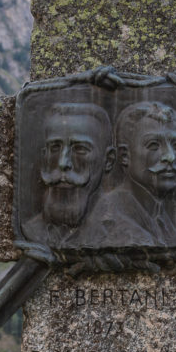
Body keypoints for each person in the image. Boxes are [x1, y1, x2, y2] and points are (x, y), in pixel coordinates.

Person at [22, 102, 115, 249]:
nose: (63, 163)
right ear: (44, 155)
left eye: (80, 149)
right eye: (55, 148)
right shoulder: (29, 229)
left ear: (108, 160)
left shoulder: (125, 228)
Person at [97, 101, 176, 248]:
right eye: (153, 145)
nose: (170, 156)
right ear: (124, 155)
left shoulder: (162, 219)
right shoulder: (109, 218)